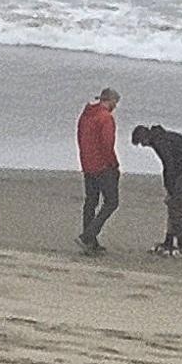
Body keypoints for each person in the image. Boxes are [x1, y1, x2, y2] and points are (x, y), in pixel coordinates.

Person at [131, 120, 182, 255]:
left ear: (144, 137)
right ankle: (170, 241)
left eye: (142, 143)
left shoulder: (160, 142)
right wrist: (170, 188)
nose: (144, 145)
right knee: (175, 204)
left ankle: (181, 245)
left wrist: (170, 189)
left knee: (178, 204)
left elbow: (169, 165)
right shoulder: (160, 137)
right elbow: (170, 165)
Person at [75, 86, 122, 252]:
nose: (115, 106)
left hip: (88, 163)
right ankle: (88, 235)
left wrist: (84, 159)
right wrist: (114, 164)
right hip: (102, 166)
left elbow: (79, 138)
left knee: (91, 201)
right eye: (115, 102)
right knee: (111, 202)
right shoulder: (105, 118)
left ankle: (90, 241)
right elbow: (107, 144)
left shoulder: (86, 115)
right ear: (109, 101)